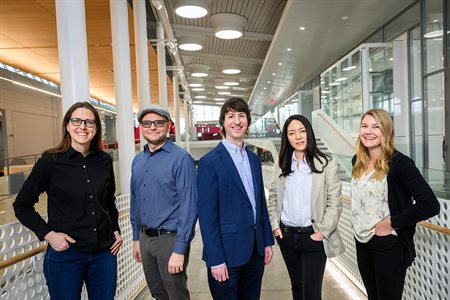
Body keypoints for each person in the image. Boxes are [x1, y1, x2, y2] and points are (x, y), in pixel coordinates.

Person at [13, 101, 122, 300]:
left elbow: (108, 200)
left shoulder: (103, 161)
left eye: (89, 122)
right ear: (67, 125)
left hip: (104, 254)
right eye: (77, 120)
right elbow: (22, 205)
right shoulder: (50, 161)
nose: (83, 126)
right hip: (67, 255)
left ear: (96, 128)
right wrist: (48, 235)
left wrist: (115, 229)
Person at [351, 108, 440, 300]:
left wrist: (391, 222)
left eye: (376, 127)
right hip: (362, 241)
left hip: (387, 243)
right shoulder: (357, 161)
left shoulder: (400, 163)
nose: (368, 131)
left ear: (386, 131)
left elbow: (430, 204)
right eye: (364, 126)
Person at [197, 97, 274, 300]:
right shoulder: (209, 163)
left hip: (255, 252)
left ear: (248, 121)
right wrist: (216, 259)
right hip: (227, 256)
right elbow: (207, 217)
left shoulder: (254, 160)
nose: (237, 121)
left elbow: (260, 205)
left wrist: (267, 242)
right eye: (231, 116)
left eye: (241, 116)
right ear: (222, 122)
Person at [267, 114, 344, 300]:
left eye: (302, 131)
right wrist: (276, 227)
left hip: (313, 236)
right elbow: (274, 197)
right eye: (292, 133)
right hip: (287, 235)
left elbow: (335, 202)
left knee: (311, 293)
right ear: (287, 137)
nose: (298, 136)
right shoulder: (281, 164)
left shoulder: (326, 163)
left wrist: (321, 233)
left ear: (309, 132)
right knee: (297, 287)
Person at [130, 104, 197, 300]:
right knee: (158, 294)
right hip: (145, 239)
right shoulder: (138, 161)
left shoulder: (181, 159)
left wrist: (180, 249)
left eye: (158, 122)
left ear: (168, 126)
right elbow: (135, 201)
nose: (152, 127)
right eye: (147, 123)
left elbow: (189, 207)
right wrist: (136, 239)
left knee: (176, 294)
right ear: (141, 127)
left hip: (170, 239)